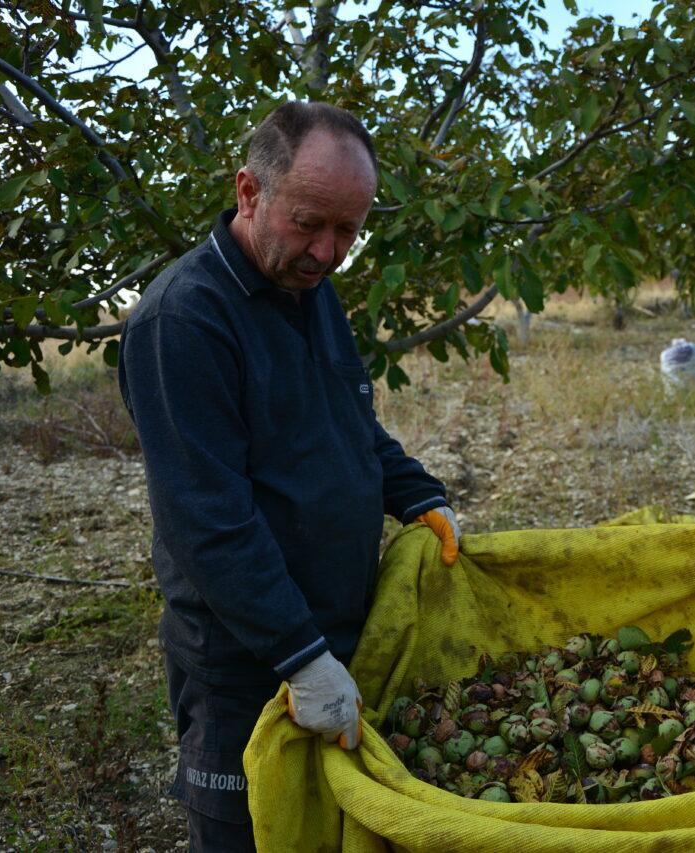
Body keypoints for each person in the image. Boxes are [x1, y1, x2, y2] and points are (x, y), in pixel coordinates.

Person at [118, 101, 461, 851]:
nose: (328, 250)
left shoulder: (311, 287)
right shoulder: (183, 322)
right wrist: (300, 656)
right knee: (249, 832)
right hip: (245, 662)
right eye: (310, 222)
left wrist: (416, 492)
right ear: (250, 191)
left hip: (336, 636)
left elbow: (349, 423)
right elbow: (207, 518)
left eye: (348, 231)